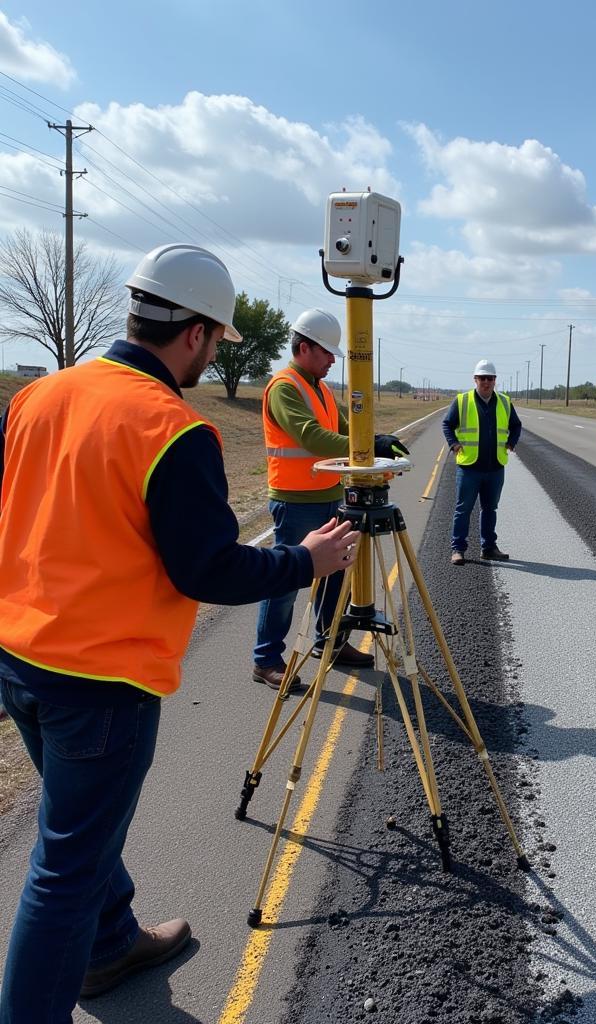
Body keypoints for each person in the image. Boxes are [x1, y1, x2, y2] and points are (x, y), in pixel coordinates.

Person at [0, 243, 361, 1022]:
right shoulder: (171, 427)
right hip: (102, 681)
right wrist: (307, 561)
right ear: (195, 333)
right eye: (216, 343)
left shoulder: (39, 397)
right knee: (63, 868)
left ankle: (109, 946)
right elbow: (211, 571)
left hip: (20, 656)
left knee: (83, 829)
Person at [252, 307, 408, 687]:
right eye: (326, 354)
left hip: (329, 495)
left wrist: (377, 440)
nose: (331, 362)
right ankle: (267, 659)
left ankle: (332, 642)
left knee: (336, 571)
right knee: (287, 580)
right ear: (304, 348)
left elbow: (345, 428)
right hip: (294, 501)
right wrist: (368, 446)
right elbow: (311, 437)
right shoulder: (285, 387)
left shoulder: (319, 388)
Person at [442, 359, 522, 565]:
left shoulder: (504, 401)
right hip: (469, 467)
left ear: (495, 381)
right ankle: (458, 549)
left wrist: (512, 442)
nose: (486, 382)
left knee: (490, 509)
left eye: (490, 378)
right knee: (463, 509)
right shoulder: (462, 400)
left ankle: (488, 548)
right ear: (475, 380)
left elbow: (516, 425)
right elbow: (447, 424)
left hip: (495, 467)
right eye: (482, 378)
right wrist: (454, 444)